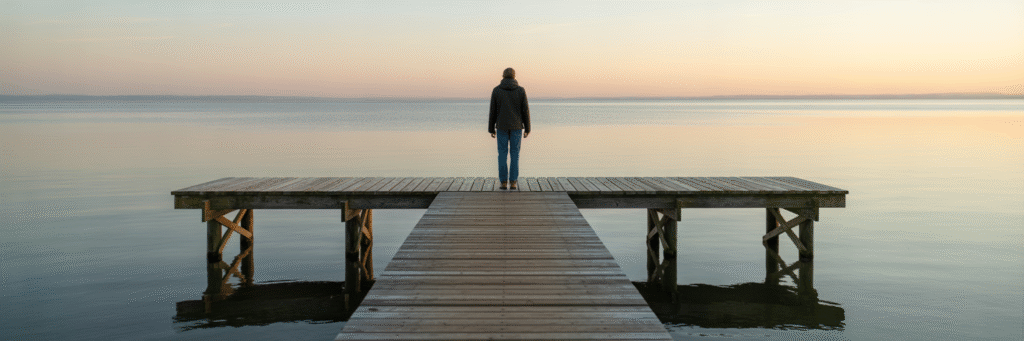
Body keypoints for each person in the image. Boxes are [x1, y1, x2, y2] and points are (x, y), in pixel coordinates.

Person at [488, 67, 531, 190]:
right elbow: (525, 111)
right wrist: (527, 128)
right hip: (516, 127)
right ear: (514, 76)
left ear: (503, 76)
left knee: (502, 154)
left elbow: (492, 111)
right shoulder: (521, 90)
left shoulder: (496, 90)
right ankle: (513, 182)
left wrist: (491, 129)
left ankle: (503, 182)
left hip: (501, 126)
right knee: (515, 154)